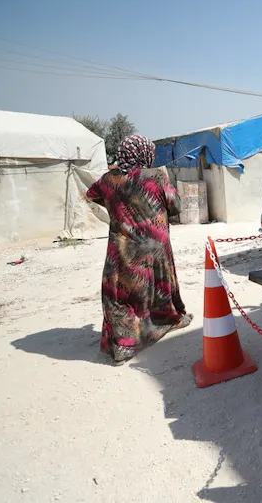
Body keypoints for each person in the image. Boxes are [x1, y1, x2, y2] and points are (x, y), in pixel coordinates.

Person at [87, 135, 192, 365]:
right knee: (159, 287)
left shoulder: (107, 180)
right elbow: (176, 205)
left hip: (123, 248)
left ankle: (124, 346)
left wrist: (116, 203)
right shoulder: (155, 176)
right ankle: (165, 320)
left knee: (121, 294)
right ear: (145, 153)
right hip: (155, 247)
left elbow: (92, 195)